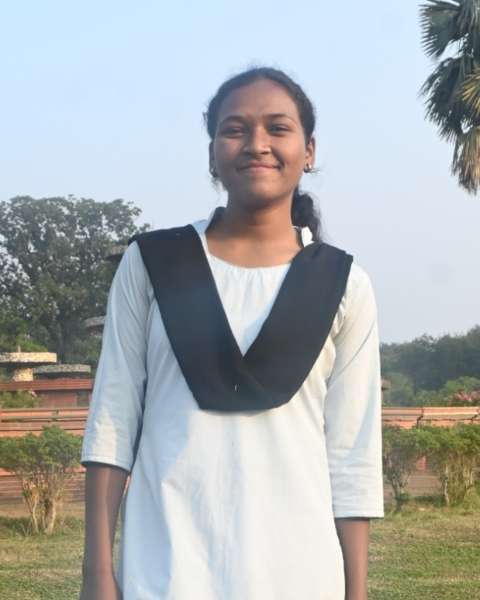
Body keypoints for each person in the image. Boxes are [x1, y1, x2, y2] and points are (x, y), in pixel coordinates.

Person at [80, 66, 384, 600]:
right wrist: (97, 575)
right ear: (212, 153)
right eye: (235, 129)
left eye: (278, 128)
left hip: (301, 577)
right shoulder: (153, 263)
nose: (256, 144)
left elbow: (351, 453)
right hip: (165, 573)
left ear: (309, 151)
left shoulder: (343, 283)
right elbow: (113, 420)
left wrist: (355, 591)